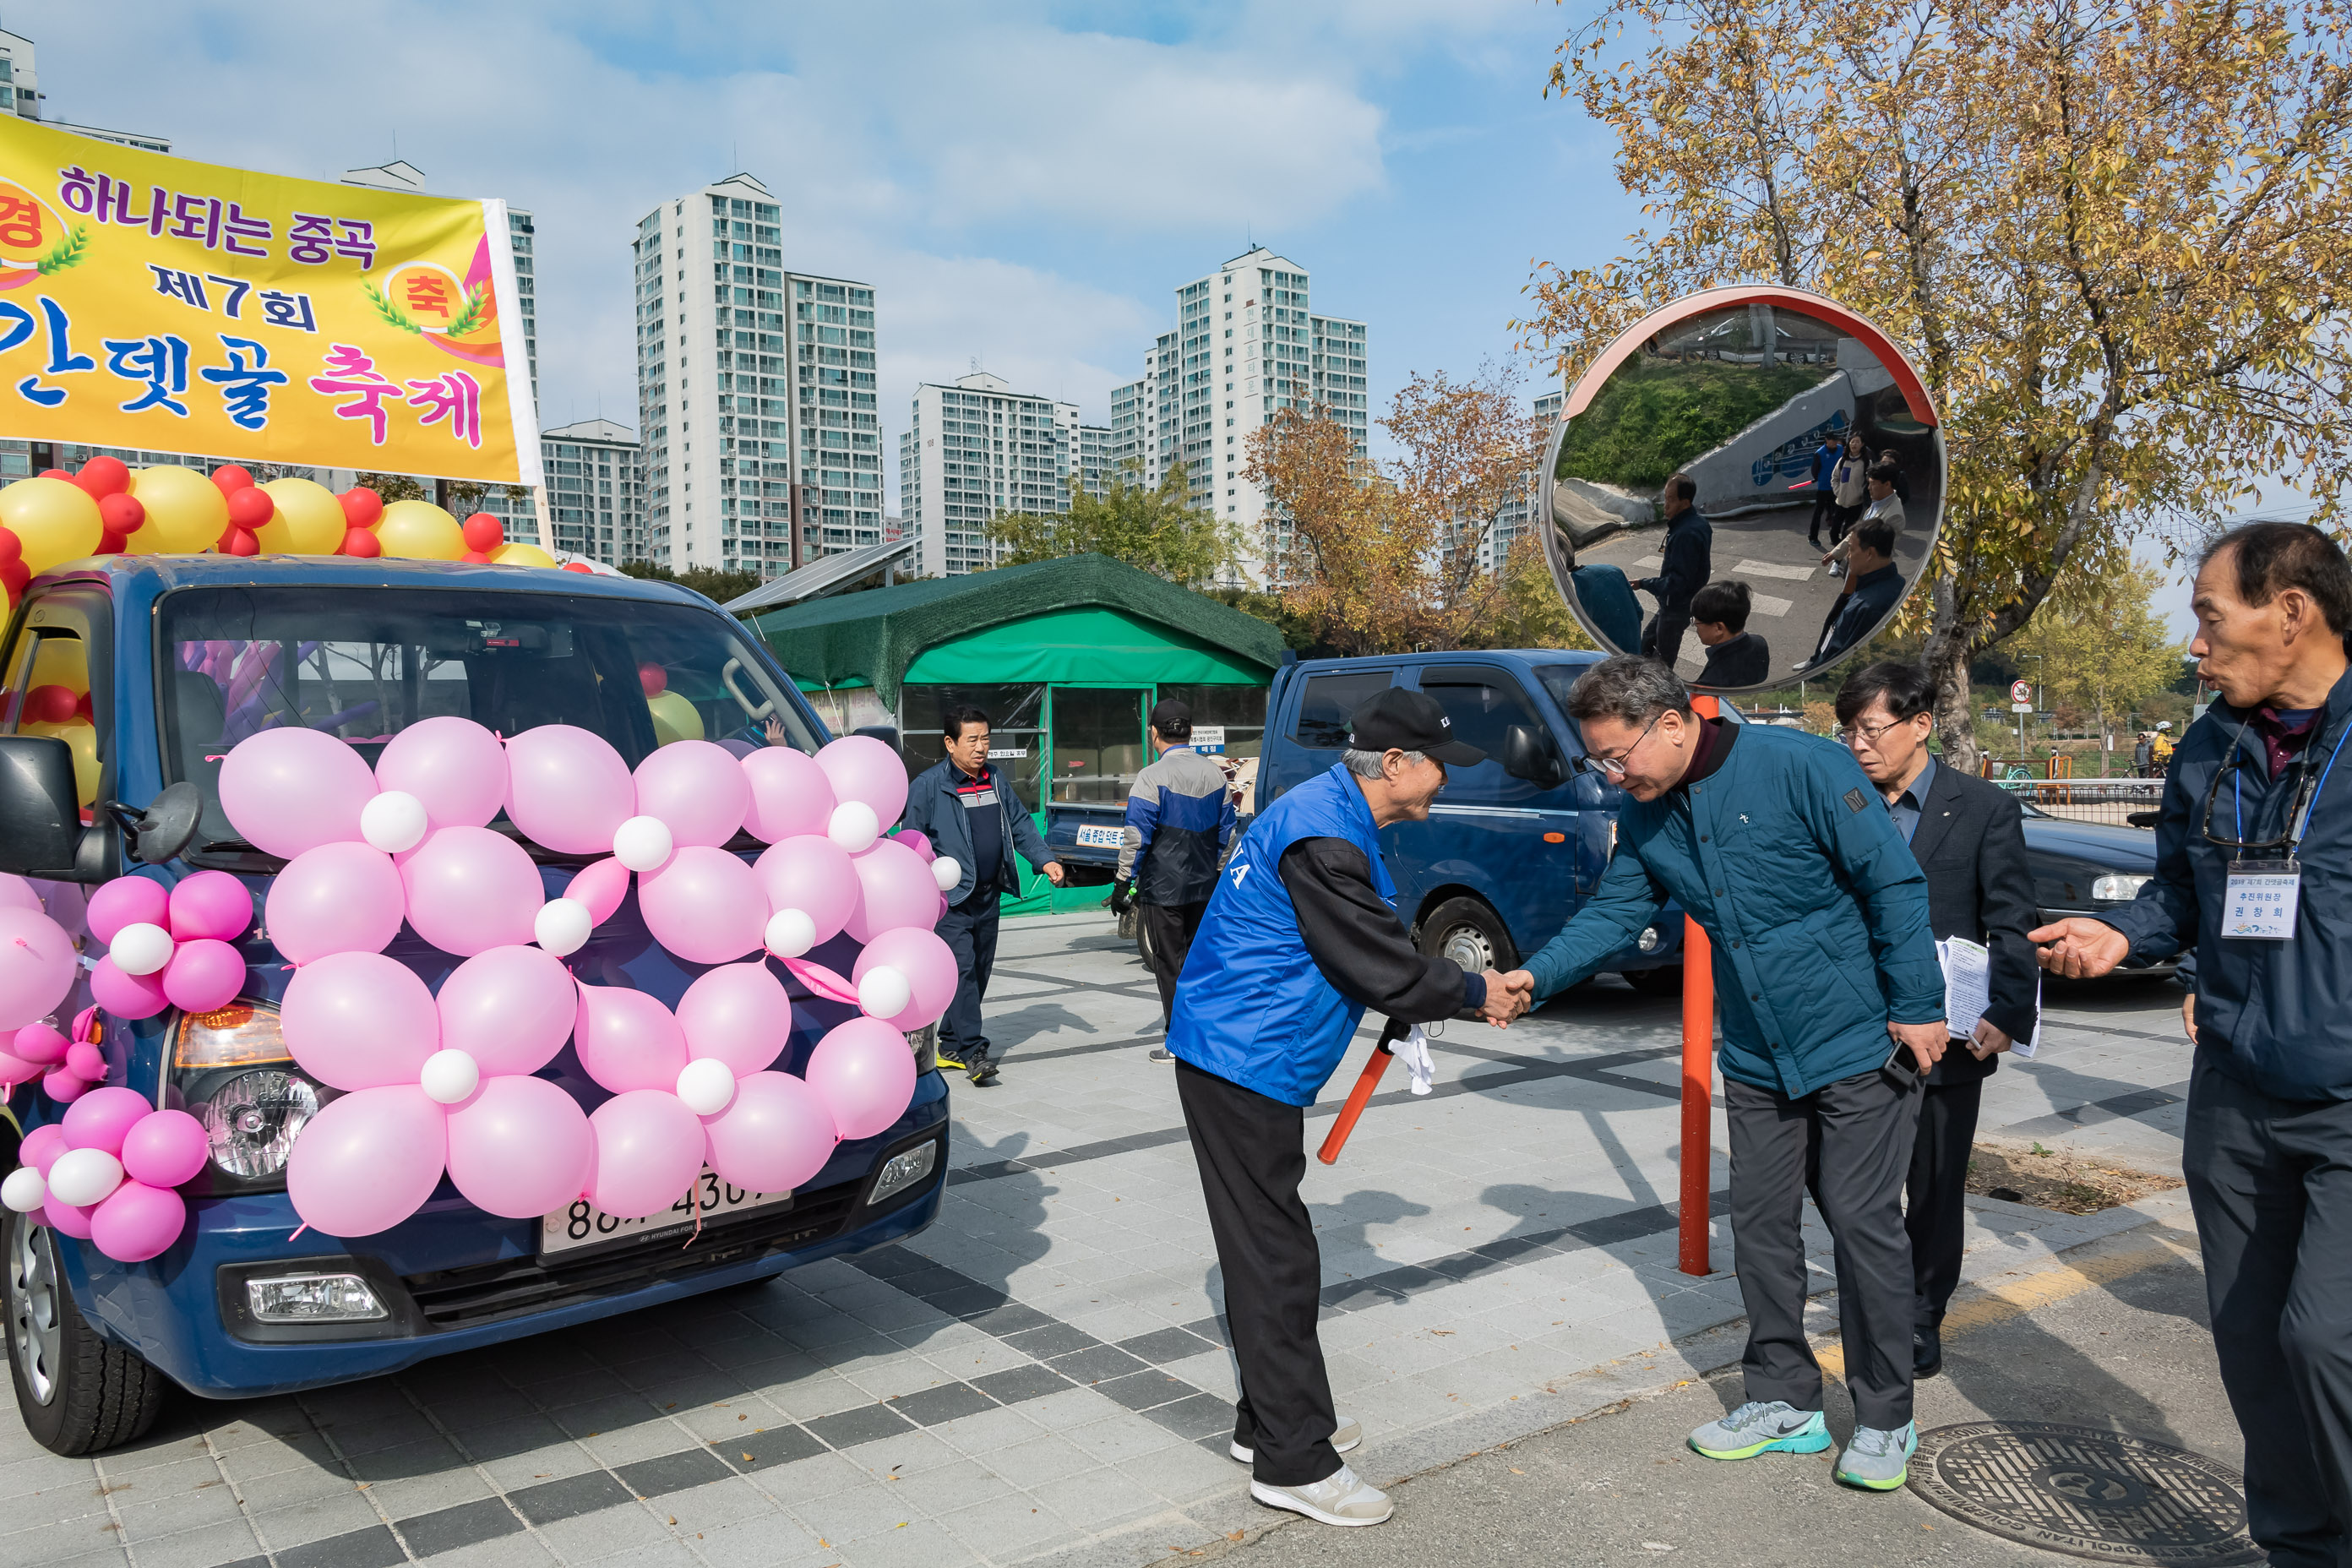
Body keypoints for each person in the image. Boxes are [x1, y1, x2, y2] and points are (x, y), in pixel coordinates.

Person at [1497, 656, 1946, 1491]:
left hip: (1856, 1040)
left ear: (1671, 723)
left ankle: (1886, 1413)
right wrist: (1535, 975)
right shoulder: (1651, 813)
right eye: (1600, 760)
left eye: (1616, 754)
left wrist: (1917, 999)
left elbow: (1892, 880)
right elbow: (1618, 909)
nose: (1611, 772)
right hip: (1755, 1053)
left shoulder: (1803, 766)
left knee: (1860, 1222)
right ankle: (1784, 1398)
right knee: (1764, 1226)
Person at [2032, 521, 2352, 1568]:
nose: (2196, 641)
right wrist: (2125, 931)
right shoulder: (2211, 742)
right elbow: (2180, 888)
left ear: (2291, 610)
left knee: (2326, 1339)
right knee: (2256, 1347)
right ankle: (2299, 1548)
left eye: (2211, 615)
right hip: (2233, 1091)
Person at [1168, 688, 1527, 1528]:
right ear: (1394, 764)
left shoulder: (1331, 813)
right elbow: (1381, 964)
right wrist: (1479, 988)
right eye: (1440, 764)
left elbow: (1378, 947)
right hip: (1241, 1059)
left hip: (1244, 1051)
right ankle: (1294, 1459)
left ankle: (1269, 1422)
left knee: (1272, 1250)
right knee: (1275, 1256)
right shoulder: (1325, 836)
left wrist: (1444, 987)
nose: (1445, 781)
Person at [1836, 662, 2039, 1380]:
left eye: (1872, 729)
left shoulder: (1982, 808)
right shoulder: (1841, 801)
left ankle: (1922, 1316)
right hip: (1853, 1028)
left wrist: (2008, 1009)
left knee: (1934, 1186)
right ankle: (1872, 1303)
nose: (1859, 745)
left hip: (1950, 1035)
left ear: (1921, 724)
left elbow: (2010, 918)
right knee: (1853, 1188)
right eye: (1848, 730)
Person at [901, 705, 1065, 1086]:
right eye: (972, 739)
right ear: (950, 743)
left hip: (989, 894)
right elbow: (913, 842)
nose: (981, 747)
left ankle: (950, 1045)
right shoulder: (928, 785)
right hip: (951, 900)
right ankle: (975, 1050)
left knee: (979, 970)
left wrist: (1044, 860)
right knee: (960, 973)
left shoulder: (995, 779)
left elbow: (1021, 823)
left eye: (985, 739)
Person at [1109, 698, 1234, 1061]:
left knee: (1170, 964)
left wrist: (1122, 884)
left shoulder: (1151, 777)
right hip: (1204, 886)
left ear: (1154, 733)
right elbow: (1227, 834)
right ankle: (1206, 1036)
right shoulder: (1215, 775)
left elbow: (1136, 838)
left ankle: (1178, 1042)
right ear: (1191, 732)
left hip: (1163, 889)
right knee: (1201, 961)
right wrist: (1216, 872)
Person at [1804, 520, 1905, 672]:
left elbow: (1847, 663)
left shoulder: (1870, 606)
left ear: (1869, 553)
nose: (1848, 556)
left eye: (1851, 550)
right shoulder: (1892, 583)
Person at [1636, 472, 1712, 672]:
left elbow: (1678, 582)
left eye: (1670, 500)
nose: (1665, 505)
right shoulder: (1695, 524)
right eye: (1665, 498)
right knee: (1647, 641)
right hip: (1673, 603)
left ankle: (1657, 694)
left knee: (1663, 661)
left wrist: (1644, 583)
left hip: (1676, 606)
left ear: (1685, 503)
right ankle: (1640, 678)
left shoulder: (1686, 534)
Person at [1824, 465, 1907, 579]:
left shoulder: (1894, 515)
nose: (1869, 488)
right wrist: (1836, 553)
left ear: (1887, 484)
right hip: (1856, 564)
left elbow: (1879, 551)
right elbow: (1858, 532)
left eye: (1872, 484)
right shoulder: (1879, 501)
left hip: (1868, 571)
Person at [1691, 580, 1772, 688]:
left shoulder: (1712, 681)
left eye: (1697, 623)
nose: (1696, 627)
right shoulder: (1759, 642)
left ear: (1719, 628)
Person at [1830, 432, 1870, 546]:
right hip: (1840, 502)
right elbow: (1835, 478)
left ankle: (1842, 555)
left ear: (1862, 445)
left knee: (1847, 532)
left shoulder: (1866, 463)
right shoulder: (1843, 460)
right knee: (1834, 530)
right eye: (1852, 441)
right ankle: (1836, 550)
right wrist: (1838, 491)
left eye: (1857, 442)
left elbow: (1869, 483)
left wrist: (1860, 494)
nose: (1854, 444)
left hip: (1855, 504)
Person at [1807, 430, 1843, 547]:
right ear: (1827, 440)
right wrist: (1820, 478)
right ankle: (1813, 537)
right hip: (1823, 488)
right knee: (1818, 512)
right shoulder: (1820, 453)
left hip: (1837, 487)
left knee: (1837, 513)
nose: (1835, 442)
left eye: (1836, 440)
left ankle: (1834, 537)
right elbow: (1814, 470)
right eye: (1832, 440)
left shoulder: (1841, 449)